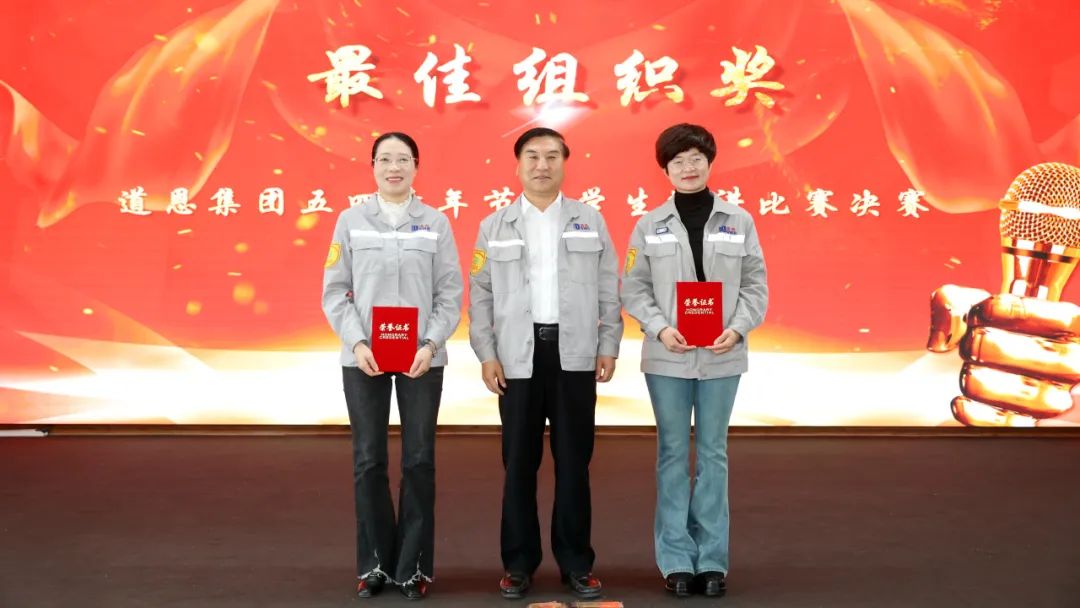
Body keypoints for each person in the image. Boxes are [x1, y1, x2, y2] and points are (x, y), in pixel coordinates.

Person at [468, 127, 623, 600]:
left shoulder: (589, 220)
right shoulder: (494, 225)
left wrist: (609, 343)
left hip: (574, 353)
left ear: (564, 164)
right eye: (533, 156)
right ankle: (518, 564)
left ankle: (576, 563)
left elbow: (608, 287)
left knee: (574, 462)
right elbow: (480, 295)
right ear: (517, 165)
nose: (542, 165)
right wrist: (486, 353)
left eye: (552, 156)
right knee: (519, 462)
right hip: (517, 355)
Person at [620, 123, 768, 598]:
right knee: (671, 453)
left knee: (712, 454)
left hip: (723, 354)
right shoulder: (649, 225)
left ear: (709, 162)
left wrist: (738, 327)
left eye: (696, 158)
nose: (688, 167)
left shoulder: (739, 221)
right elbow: (633, 287)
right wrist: (660, 327)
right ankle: (675, 560)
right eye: (678, 160)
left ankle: (712, 561)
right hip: (668, 356)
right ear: (665, 169)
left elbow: (756, 284)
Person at [322, 132, 463, 600]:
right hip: (364, 357)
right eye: (385, 159)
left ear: (416, 166)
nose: (394, 167)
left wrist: (431, 343)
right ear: (373, 167)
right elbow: (335, 291)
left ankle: (414, 568)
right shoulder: (350, 221)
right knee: (369, 460)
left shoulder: (436, 223)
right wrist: (357, 341)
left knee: (419, 460)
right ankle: (375, 565)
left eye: (403, 159)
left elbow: (449, 293)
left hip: (423, 357)